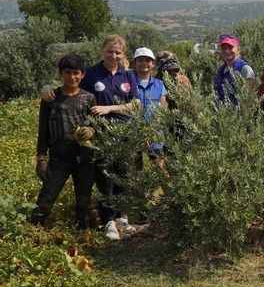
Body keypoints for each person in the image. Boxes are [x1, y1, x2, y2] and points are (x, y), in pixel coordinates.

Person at [80, 35, 138, 240]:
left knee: (123, 174)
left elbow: (135, 104)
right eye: (110, 51)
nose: (113, 55)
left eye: (117, 52)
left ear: (123, 54)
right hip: (101, 133)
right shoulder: (91, 74)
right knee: (105, 176)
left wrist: (109, 108)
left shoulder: (128, 74)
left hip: (124, 132)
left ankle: (123, 218)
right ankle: (108, 221)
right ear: (102, 51)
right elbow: (80, 98)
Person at [30, 54, 96, 230]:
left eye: (76, 73)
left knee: (83, 200)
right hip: (59, 157)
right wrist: (41, 158)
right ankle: (32, 232)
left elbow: (95, 125)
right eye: (68, 72)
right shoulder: (51, 98)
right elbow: (42, 130)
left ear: (82, 74)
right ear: (61, 73)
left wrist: (91, 131)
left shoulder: (89, 98)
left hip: (84, 157)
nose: (72, 77)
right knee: (46, 199)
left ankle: (82, 234)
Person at [132, 47, 168, 174]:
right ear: (134, 63)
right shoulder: (128, 83)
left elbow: (163, 109)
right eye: (140, 60)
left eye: (148, 60)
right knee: (135, 171)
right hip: (133, 134)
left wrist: (151, 131)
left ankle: (169, 193)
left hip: (155, 133)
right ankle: (139, 194)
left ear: (153, 64)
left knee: (160, 169)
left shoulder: (159, 84)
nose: (144, 64)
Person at [214, 34, 256, 105]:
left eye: (230, 47)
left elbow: (249, 97)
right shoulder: (221, 70)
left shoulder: (245, 69)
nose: (227, 51)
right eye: (224, 48)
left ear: (238, 49)